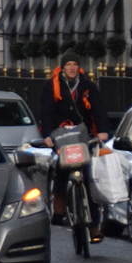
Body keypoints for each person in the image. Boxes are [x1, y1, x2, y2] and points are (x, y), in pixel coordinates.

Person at [39, 51, 111, 239]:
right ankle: (60, 205)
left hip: (83, 135)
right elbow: (46, 112)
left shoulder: (87, 86)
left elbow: (99, 109)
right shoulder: (51, 86)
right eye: (68, 64)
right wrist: (47, 135)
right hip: (61, 135)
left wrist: (102, 130)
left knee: (88, 179)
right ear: (62, 67)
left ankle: (94, 225)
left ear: (79, 67)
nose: (72, 68)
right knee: (62, 168)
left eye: (75, 64)